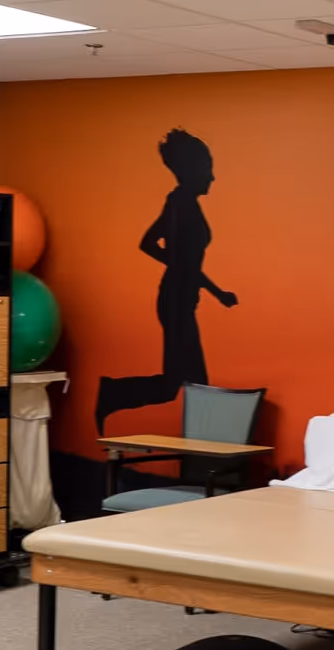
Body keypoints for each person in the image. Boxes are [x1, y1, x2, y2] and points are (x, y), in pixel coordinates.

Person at [93, 128, 237, 432]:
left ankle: (113, 394)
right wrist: (206, 286)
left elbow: (159, 249)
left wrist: (214, 291)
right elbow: (161, 249)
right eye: (208, 169)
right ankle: (114, 395)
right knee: (195, 383)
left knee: (180, 383)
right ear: (192, 169)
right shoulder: (180, 204)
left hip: (179, 299)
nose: (212, 177)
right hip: (175, 301)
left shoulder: (181, 202)